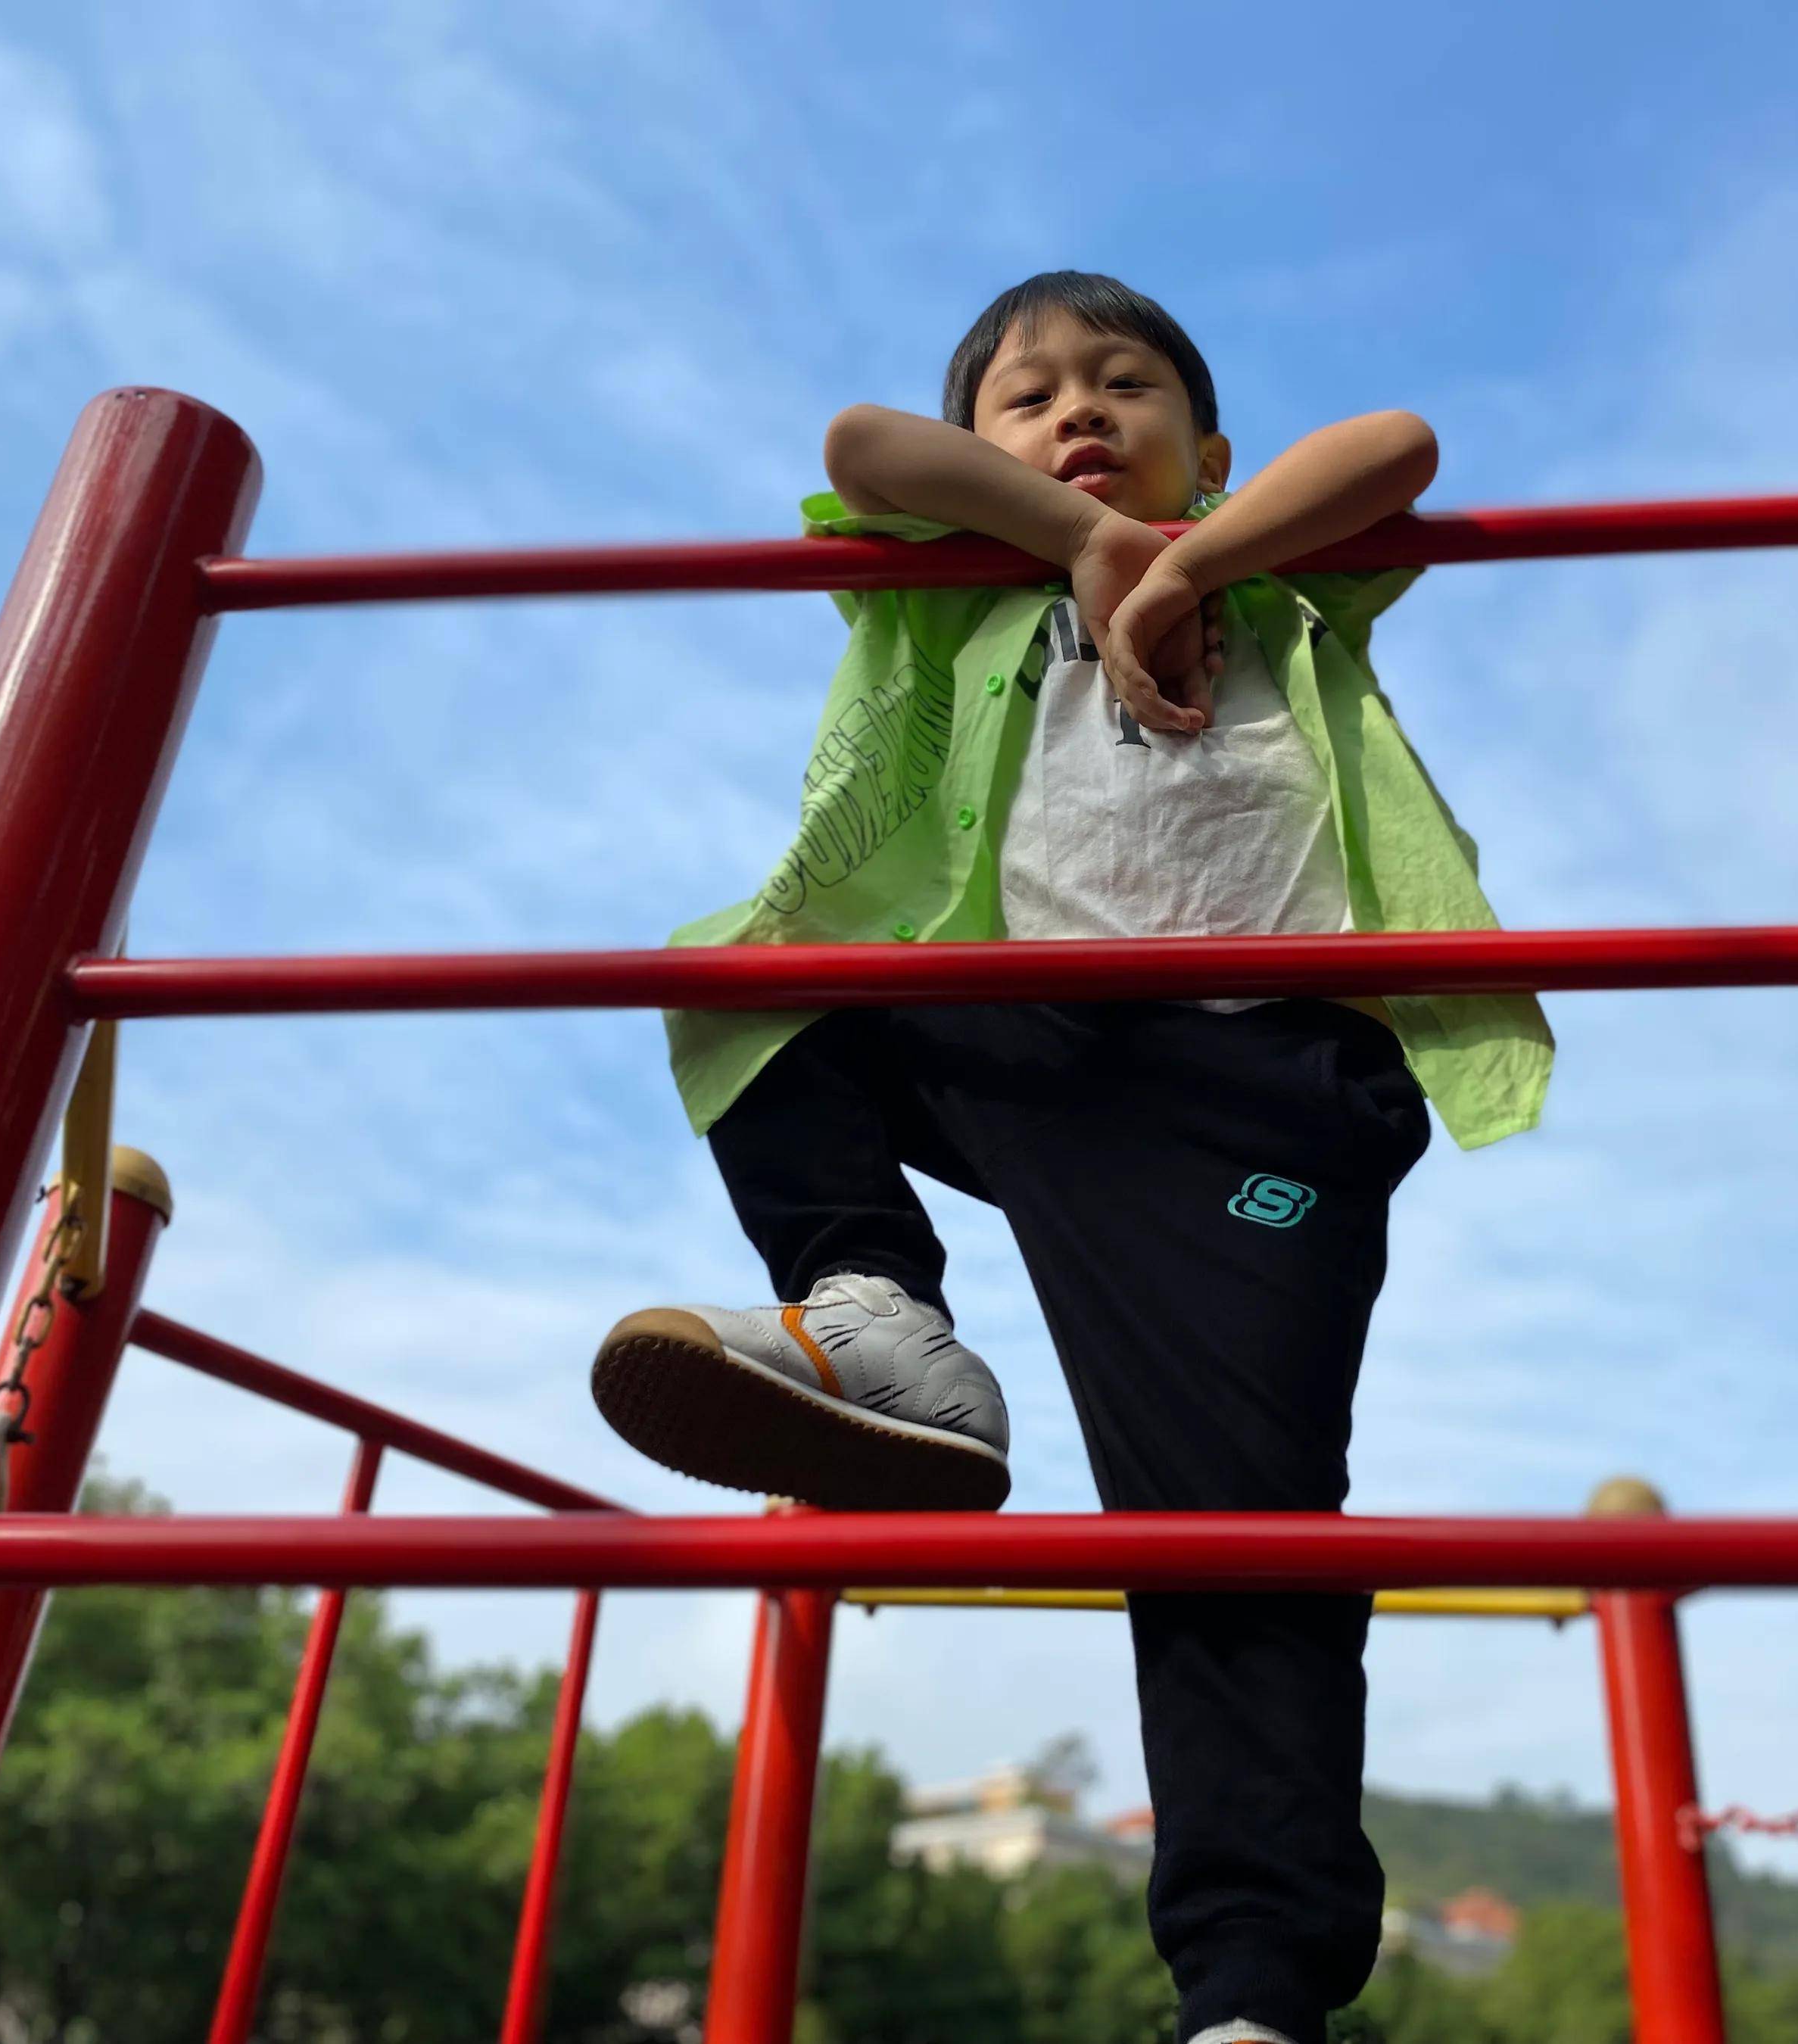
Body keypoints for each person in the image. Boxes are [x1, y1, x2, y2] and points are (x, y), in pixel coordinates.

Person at [593, 271, 1552, 2044]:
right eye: (1030, 400)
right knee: (755, 987)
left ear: (1214, 451)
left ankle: (1255, 1991)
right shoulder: (967, 587)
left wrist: (1182, 564)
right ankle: (882, 1324)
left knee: (1232, 1530)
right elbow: (859, 449)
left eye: (1126, 388)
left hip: (1260, 1085)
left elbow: (1400, 448)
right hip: (1034, 1044)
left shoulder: (1282, 576)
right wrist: (1076, 545)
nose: (1080, 414)